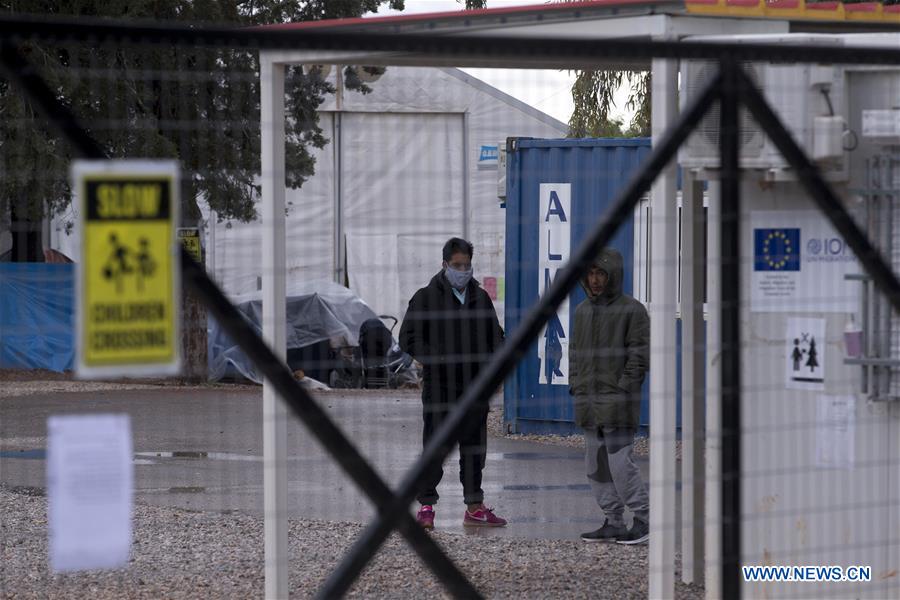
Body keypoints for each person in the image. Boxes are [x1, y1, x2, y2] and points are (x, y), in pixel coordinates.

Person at [399, 237, 506, 529]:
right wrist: (438, 360)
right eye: (457, 265)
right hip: (440, 389)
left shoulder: (480, 298)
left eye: (467, 265)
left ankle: (474, 505)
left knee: (474, 448)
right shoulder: (425, 298)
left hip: (474, 389)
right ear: (445, 265)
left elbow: (497, 338)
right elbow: (408, 337)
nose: (463, 270)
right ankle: (426, 506)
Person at [569, 247, 650, 545]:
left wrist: (622, 391)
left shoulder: (633, 310)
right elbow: (575, 354)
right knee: (596, 467)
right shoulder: (581, 312)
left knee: (620, 465)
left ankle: (644, 518)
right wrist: (576, 386)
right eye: (590, 273)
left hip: (618, 407)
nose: (595, 279)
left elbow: (640, 357)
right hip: (589, 405)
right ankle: (614, 521)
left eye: (601, 273)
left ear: (613, 275)